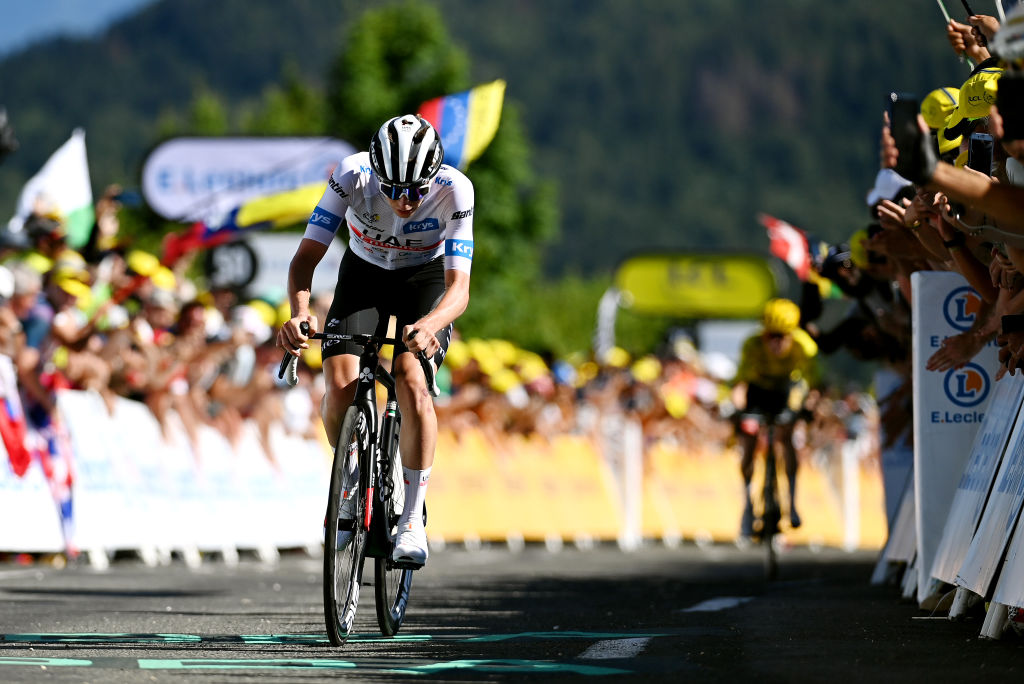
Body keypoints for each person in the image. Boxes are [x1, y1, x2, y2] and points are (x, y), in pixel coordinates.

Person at [277, 114, 474, 568]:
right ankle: (350, 479)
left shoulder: (454, 189)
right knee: (339, 390)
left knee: (410, 378)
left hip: (425, 279)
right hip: (364, 274)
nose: (405, 202)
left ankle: (410, 518)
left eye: (416, 191)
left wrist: (431, 323)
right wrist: (300, 314)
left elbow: (458, 288)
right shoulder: (350, 174)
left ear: (433, 177)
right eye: (394, 190)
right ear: (376, 175)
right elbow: (306, 257)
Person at [732, 298, 818, 538]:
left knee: (786, 436)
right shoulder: (752, 345)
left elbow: (810, 386)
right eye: (771, 336)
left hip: (785, 390)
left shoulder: (804, 347)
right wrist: (738, 409)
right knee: (748, 441)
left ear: (792, 334)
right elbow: (740, 384)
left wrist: (806, 408)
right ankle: (748, 506)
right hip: (758, 390)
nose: (776, 342)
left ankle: (791, 502)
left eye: (782, 336)